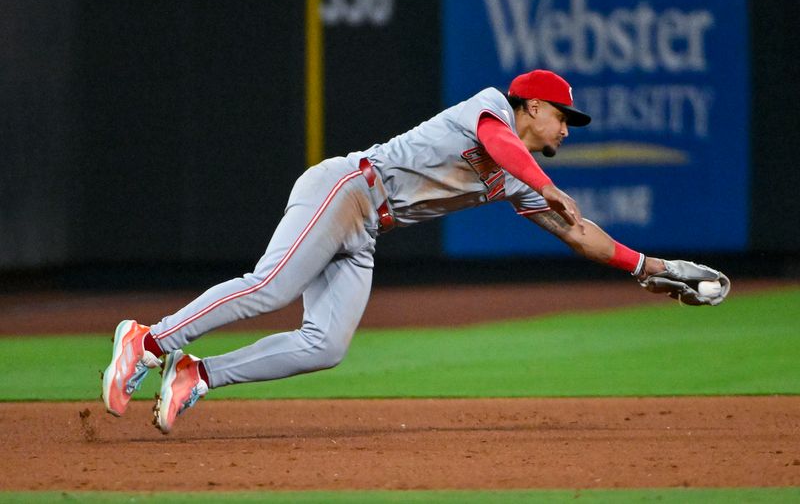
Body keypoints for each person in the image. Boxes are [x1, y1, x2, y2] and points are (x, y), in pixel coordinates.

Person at [102, 69, 673, 433]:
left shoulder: (523, 182)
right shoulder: (492, 108)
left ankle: (199, 374)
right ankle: (148, 340)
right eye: (561, 116)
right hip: (346, 188)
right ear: (530, 108)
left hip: (369, 228)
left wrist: (649, 267)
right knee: (271, 286)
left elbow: (578, 234)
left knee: (325, 345)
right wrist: (547, 185)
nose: (567, 129)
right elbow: (499, 144)